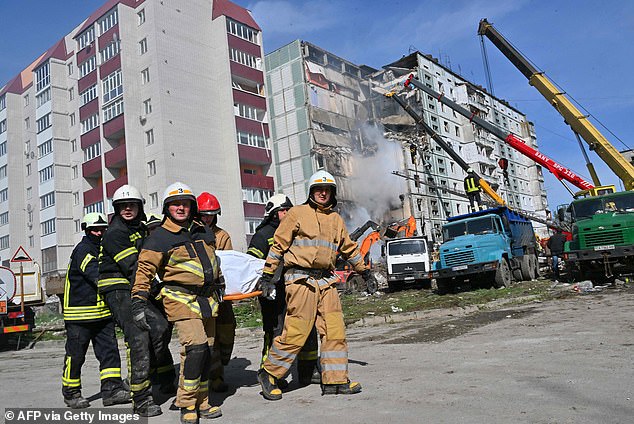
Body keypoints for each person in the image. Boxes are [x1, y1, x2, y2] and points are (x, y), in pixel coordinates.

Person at [256, 170, 376, 400]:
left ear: (333, 193)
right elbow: (278, 247)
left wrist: (365, 272)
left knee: (334, 330)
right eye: (319, 189)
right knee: (297, 332)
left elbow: (349, 249)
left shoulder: (335, 219)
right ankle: (269, 373)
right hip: (300, 280)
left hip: (326, 280)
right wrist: (268, 276)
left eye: (327, 190)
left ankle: (335, 380)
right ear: (311, 192)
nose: (323, 193)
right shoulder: (297, 213)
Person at [132, 182, 224, 424]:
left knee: (208, 350)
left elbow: (215, 261)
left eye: (185, 204)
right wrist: (138, 301)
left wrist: (221, 283)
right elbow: (143, 271)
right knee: (196, 347)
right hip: (181, 298)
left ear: (192, 207)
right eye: (175, 204)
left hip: (208, 298)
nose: (181, 208)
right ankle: (186, 403)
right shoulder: (159, 237)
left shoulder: (202, 230)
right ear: (167, 208)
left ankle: (203, 401)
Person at [98, 185, 161, 417]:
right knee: (138, 334)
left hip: (135, 286)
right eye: (123, 206)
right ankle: (141, 399)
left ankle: (145, 378)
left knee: (160, 327)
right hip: (118, 287)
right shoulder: (115, 232)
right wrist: (157, 289)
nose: (127, 209)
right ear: (116, 209)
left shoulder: (139, 229)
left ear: (139, 207)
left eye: (131, 205)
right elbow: (133, 266)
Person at [247, 194, 320, 387]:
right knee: (276, 332)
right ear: (272, 214)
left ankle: (309, 370)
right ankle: (269, 373)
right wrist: (264, 283)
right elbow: (252, 264)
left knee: (307, 328)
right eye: (283, 211)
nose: (287, 213)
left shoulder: (296, 232)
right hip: (273, 293)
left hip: (296, 289)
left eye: (289, 209)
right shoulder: (263, 236)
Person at [62, 213, 130, 409]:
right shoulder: (84, 250)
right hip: (80, 316)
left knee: (109, 353)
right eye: (95, 229)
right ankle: (71, 393)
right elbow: (97, 275)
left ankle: (112, 390)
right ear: (86, 230)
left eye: (103, 229)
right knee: (76, 356)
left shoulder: (103, 249)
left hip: (103, 314)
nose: (100, 233)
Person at [195, 192, 235, 393]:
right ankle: (215, 377)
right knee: (211, 338)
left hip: (222, 293)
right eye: (204, 214)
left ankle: (224, 362)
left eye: (211, 214)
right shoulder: (191, 234)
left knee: (227, 329)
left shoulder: (223, 236)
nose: (207, 218)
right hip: (201, 294)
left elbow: (228, 263)